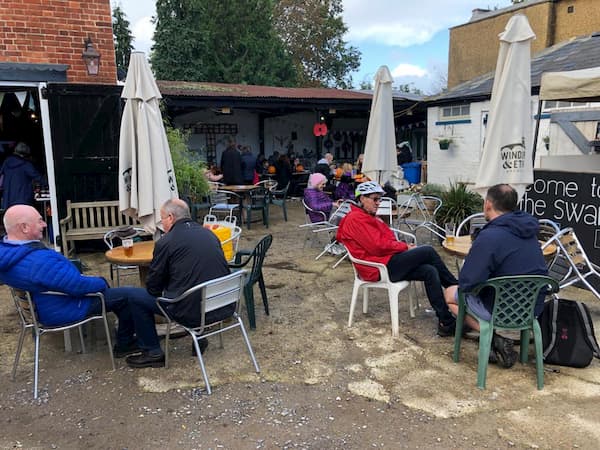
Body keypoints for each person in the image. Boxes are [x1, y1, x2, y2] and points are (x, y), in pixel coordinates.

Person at [0, 204, 139, 358]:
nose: (45, 224)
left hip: (44, 305)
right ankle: (125, 344)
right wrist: (101, 282)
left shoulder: (7, 252)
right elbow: (77, 286)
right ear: (24, 227)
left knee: (115, 295)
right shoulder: (37, 261)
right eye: (40, 221)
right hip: (64, 307)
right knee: (126, 296)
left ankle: (124, 334)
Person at [444, 184, 548, 367]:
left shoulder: (489, 237)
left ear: (488, 204)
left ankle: (492, 335)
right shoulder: (530, 232)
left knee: (450, 294)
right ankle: (499, 339)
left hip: (499, 309)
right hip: (531, 309)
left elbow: (468, 281)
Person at [337, 181, 459, 336]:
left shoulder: (368, 216)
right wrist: (405, 248)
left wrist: (402, 246)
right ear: (362, 199)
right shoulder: (356, 219)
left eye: (379, 199)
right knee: (427, 251)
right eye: (375, 199)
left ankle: (446, 322)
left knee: (430, 271)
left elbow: (387, 239)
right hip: (378, 268)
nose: (378, 203)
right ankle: (457, 288)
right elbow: (377, 246)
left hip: (387, 261)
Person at [125, 198, 232, 368]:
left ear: (170, 217)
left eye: (162, 219)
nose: (162, 224)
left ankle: (152, 352)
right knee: (195, 283)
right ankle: (200, 335)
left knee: (135, 297)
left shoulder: (166, 242)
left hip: (190, 313)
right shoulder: (209, 234)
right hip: (222, 305)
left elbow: (153, 288)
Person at [0, 142, 43, 209]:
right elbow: (39, 178)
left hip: (7, 201)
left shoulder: (6, 162)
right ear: (25, 155)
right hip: (23, 201)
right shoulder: (26, 165)